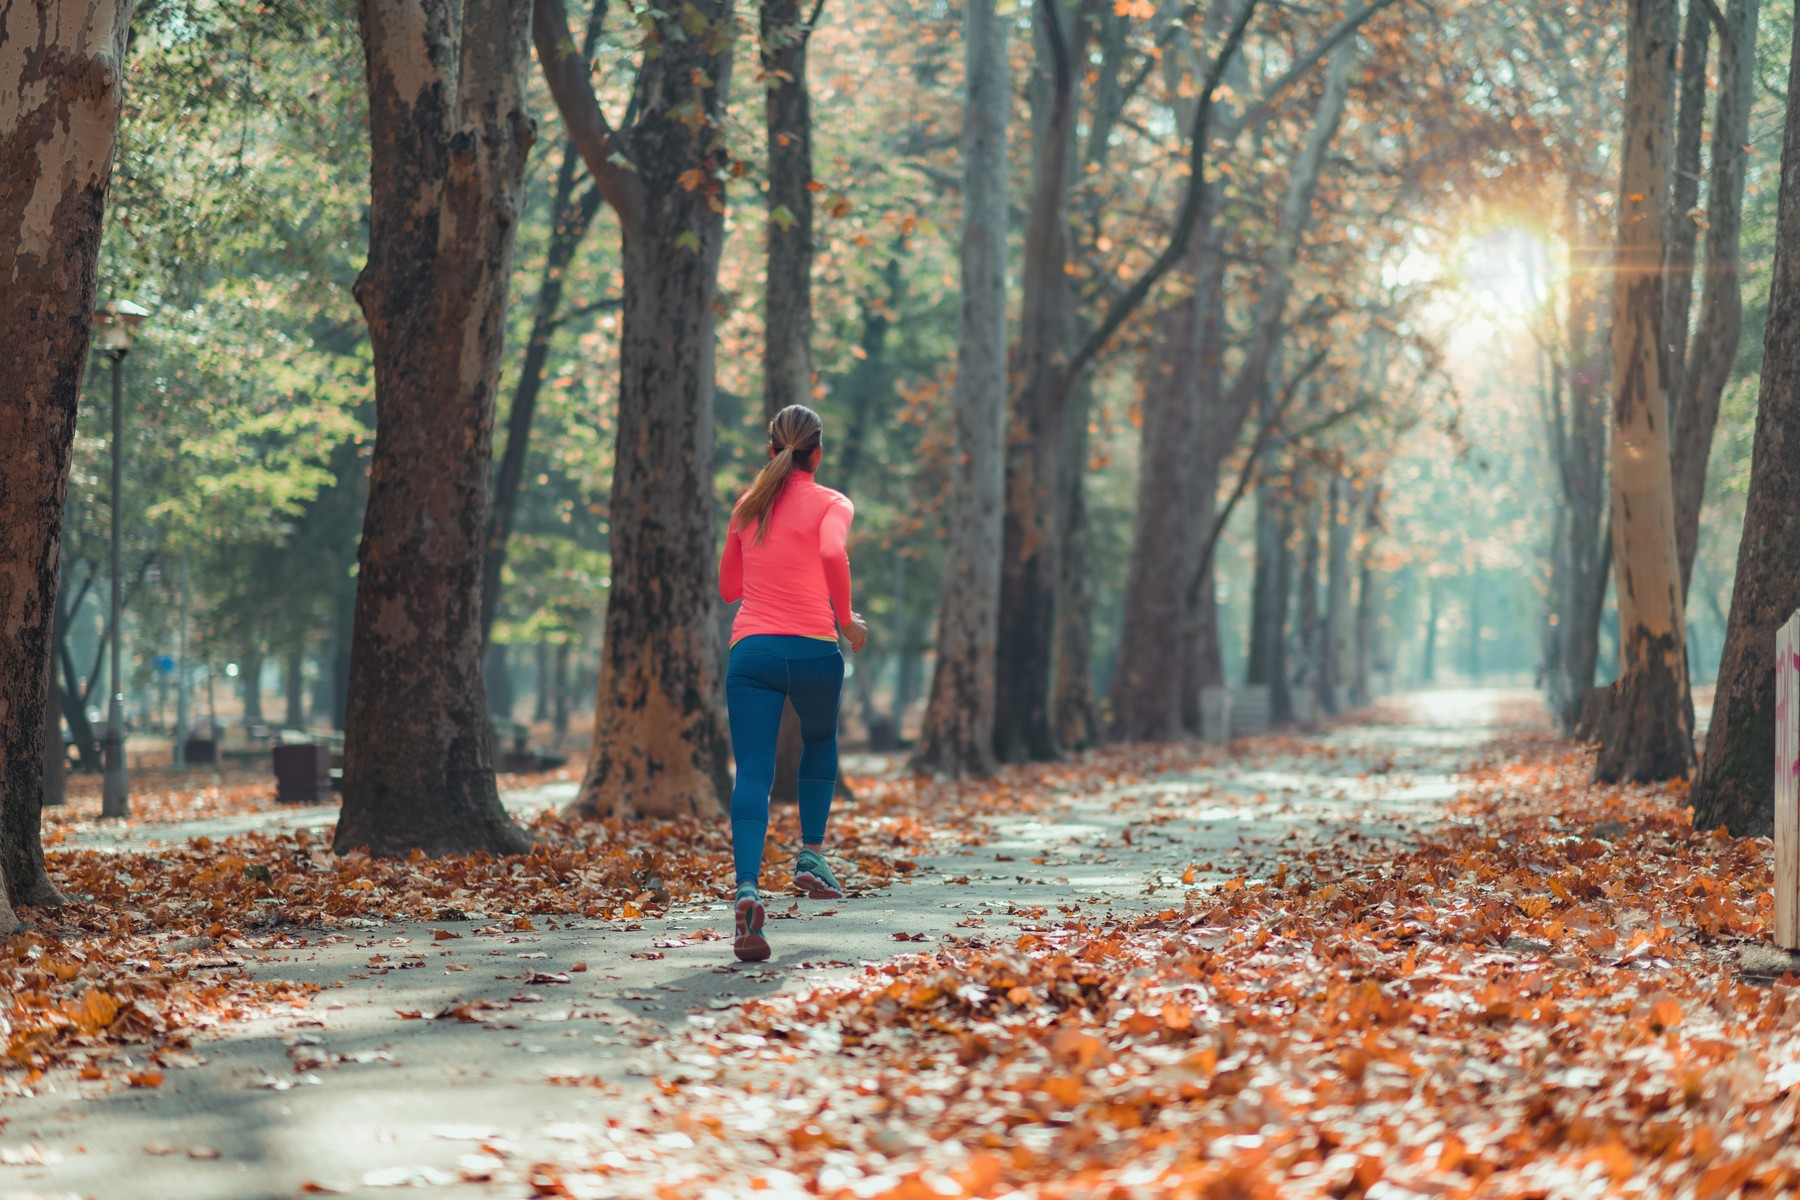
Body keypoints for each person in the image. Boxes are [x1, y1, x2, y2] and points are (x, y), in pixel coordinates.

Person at [718, 404, 868, 963]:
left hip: (752, 652)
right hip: (812, 651)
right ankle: (810, 856)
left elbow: (729, 588)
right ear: (818, 453)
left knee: (752, 772)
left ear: (771, 450)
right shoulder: (833, 502)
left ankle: (748, 890)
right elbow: (832, 551)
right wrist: (846, 620)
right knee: (820, 742)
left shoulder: (746, 507)